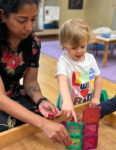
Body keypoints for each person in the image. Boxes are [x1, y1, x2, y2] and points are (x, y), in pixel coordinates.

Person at [0, 0, 72, 146]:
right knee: (10, 127)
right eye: (22, 20)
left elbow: (30, 81)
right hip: (2, 99)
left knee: (49, 118)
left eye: (33, 19)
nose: (29, 27)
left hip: (13, 94)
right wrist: (43, 124)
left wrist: (40, 100)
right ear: (2, 16)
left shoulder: (33, 42)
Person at [56, 18, 102, 122]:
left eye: (83, 46)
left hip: (87, 105)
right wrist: (67, 101)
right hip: (69, 108)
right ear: (64, 45)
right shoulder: (64, 61)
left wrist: (96, 97)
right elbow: (61, 79)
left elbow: (98, 78)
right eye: (73, 47)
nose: (79, 51)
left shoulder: (90, 58)